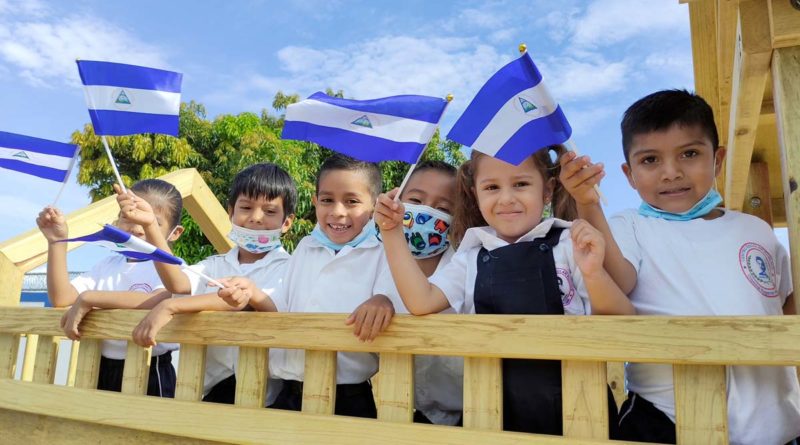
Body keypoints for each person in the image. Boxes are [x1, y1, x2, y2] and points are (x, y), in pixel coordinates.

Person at [559, 89, 800, 444]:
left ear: (717, 160)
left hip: (777, 426)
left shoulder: (755, 230)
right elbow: (619, 280)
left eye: (689, 154)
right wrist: (587, 203)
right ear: (629, 174)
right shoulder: (630, 226)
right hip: (668, 423)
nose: (671, 173)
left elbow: (786, 309)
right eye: (650, 160)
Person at [374, 147, 633, 435]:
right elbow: (420, 301)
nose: (506, 198)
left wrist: (594, 272)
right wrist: (391, 231)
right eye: (492, 187)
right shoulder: (470, 257)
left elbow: (621, 320)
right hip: (490, 417)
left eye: (521, 184)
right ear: (475, 193)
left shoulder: (572, 244)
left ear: (547, 190)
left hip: (582, 414)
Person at [218, 154, 399, 418]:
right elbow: (280, 306)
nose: (338, 211)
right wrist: (253, 293)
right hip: (290, 391)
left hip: (346, 396)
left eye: (352, 202)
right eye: (327, 200)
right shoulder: (305, 247)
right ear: (315, 202)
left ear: (374, 205)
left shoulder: (384, 254)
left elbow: (393, 298)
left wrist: (384, 300)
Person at [128, 163, 296, 406]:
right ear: (230, 211)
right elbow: (179, 284)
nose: (256, 218)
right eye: (246, 207)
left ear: (287, 222)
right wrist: (151, 228)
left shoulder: (290, 268)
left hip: (262, 395)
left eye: (270, 212)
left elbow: (245, 303)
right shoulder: (214, 265)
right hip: (204, 391)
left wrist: (171, 307)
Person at [38, 179, 184, 397]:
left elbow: (163, 297)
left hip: (150, 370)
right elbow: (62, 298)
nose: (136, 228)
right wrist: (57, 241)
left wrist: (91, 299)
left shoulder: (174, 268)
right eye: (127, 217)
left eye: (149, 222)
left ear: (175, 232)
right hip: (99, 367)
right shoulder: (107, 265)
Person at [394, 160, 463, 426]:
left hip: (475, 410)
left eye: (443, 208)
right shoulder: (377, 259)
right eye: (416, 200)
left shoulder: (466, 265)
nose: (425, 213)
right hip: (413, 413)